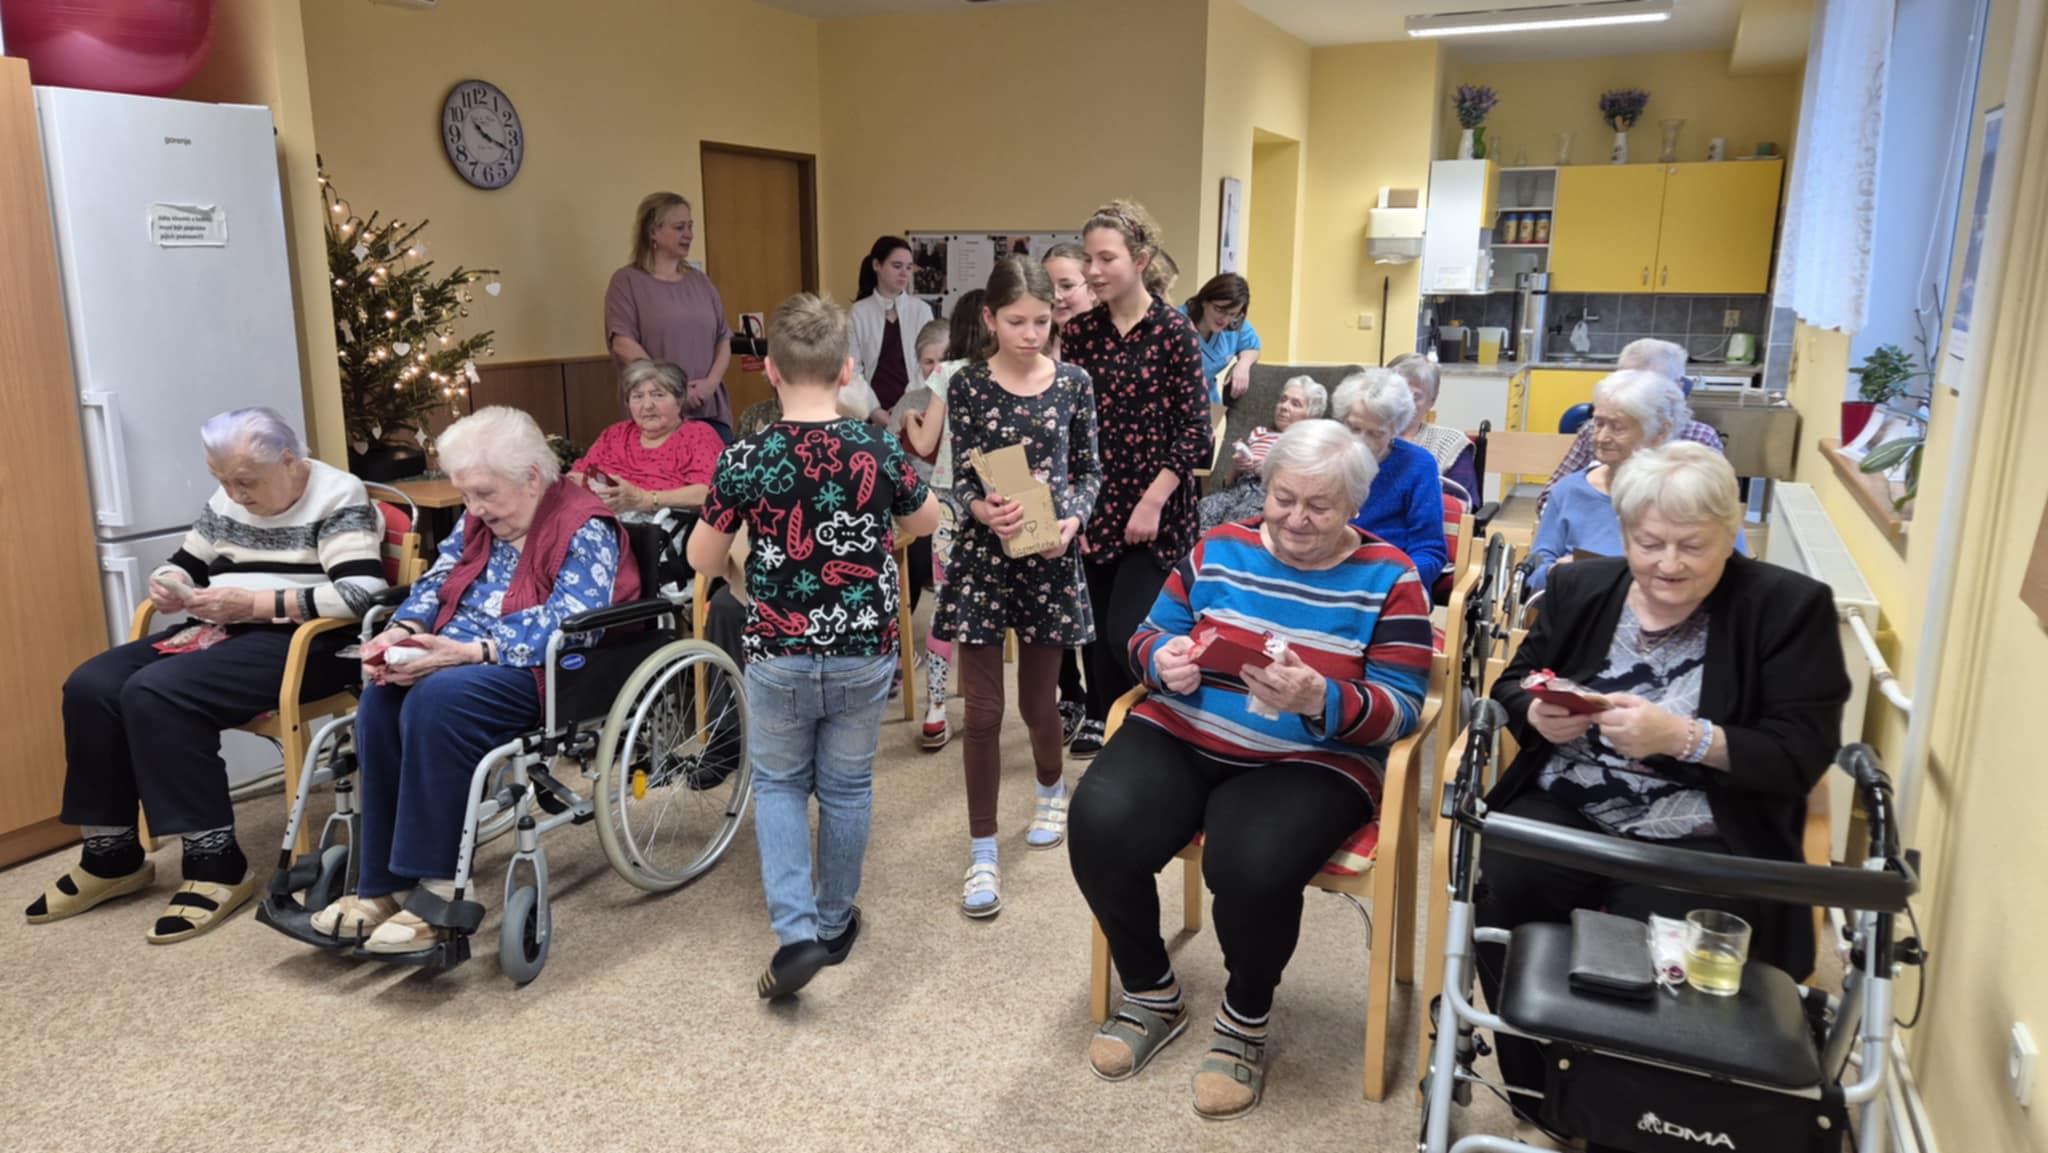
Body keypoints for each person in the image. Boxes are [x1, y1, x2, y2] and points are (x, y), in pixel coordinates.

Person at [1479, 441, 1848, 1144]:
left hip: (1704, 831)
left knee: (1659, 967)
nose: (1668, 563)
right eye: (1649, 543)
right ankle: (1540, 1097)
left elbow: (1799, 754)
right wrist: (1536, 714)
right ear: (1623, 532)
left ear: (1730, 531)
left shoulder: (1788, 608)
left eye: (1692, 545)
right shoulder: (1581, 589)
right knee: (1501, 887)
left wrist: (1682, 737)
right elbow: (1513, 681)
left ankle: (1629, 1121)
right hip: (1567, 806)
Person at [1067, 419, 1432, 1121]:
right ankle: (1151, 991)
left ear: (1355, 504)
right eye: (1283, 498)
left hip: (1312, 758)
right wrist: (1160, 661)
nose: (1295, 518)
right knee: (1099, 820)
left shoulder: (1392, 577)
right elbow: (1148, 633)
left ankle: (1245, 1016)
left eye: (1319, 506)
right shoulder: (1220, 547)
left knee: (1250, 866)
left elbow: (1403, 706)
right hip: (1184, 730)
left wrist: (1321, 698)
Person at [30, 408, 387, 942]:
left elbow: (362, 594)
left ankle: (216, 863)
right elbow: (186, 561)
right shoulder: (228, 499)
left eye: (246, 482)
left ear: (289, 460)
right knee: (92, 686)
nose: (235, 495)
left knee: (159, 692)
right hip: (220, 630)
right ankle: (112, 855)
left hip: (308, 643)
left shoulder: (339, 496)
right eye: (222, 480)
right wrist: (168, 582)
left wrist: (256, 604)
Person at [309, 407, 640, 953]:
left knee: (437, 700)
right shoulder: (480, 519)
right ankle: (383, 887)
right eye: (466, 495)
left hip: (538, 670)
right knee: (381, 699)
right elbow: (436, 581)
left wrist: (468, 652)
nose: (475, 509)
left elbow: (573, 622)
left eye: (484, 494)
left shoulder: (584, 524)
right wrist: (404, 631)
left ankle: (440, 891)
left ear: (531, 477)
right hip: (454, 653)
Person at [688, 292, 939, 1000]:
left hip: (779, 648)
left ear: (770, 371)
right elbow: (926, 521)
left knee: (778, 784)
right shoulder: (877, 447)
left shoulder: (747, 456)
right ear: (847, 369)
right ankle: (833, 923)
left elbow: (703, 557)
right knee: (847, 786)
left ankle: (796, 932)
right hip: (863, 645)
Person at [932, 256, 1101, 918]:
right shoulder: (968, 383)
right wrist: (980, 508)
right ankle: (982, 850)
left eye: (1041, 320)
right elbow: (962, 477)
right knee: (981, 711)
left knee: (1037, 703)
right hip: (984, 557)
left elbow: (1090, 471)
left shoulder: (1075, 383)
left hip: (1049, 558)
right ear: (988, 319)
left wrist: (1073, 520)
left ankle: (1052, 788)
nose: (1031, 334)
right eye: (1016, 322)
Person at [1059, 200, 1213, 759]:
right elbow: (1071, 426)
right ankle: (1110, 731)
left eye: (1106, 258)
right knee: (1097, 635)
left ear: (1140, 260)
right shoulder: (1080, 333)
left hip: (1157, 509)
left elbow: (1197, 433)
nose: (1093, 270)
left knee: (1130, 633)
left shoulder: (1174, 331)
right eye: (1088, 259)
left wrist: (1151, 503)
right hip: (1096, 505)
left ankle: (1161, 727)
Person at [1526, 369, 1731, 593]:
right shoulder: (1569, 490)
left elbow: (1732, 578)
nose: (1601, 438)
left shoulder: (1697, 495)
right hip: (1582, 606)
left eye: (1617, 427)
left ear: (1661, 431)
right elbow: (1533, 575)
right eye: (1598, 424)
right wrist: (1555, 573)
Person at [902, 290, 990, 751]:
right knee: (987, 607)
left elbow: (922, 444)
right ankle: (983, 707)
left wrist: (911, 419)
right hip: (996, 499)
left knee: (945, 608)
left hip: (948, 502)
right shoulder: (1005, 372)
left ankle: (936, 709)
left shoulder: (947, 374)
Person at [605, 192, 736, 441]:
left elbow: (723, 338)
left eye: (690, 226)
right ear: (653, 231)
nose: (689, 234)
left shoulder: (701, 282)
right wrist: (673, 389)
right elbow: (623, 343)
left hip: (709, 410)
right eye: (679, 227)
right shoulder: (626, 281)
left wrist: (710, 384)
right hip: (656, 415)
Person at [1539, 338, 1725, 512]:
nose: (1603, 436)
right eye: (1625, 381)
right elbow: (1549, 499)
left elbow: (1717, 511)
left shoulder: (1700, 438)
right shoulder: (1594, 431)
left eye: (1649, 385)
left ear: (1678, 388)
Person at [1042, 242, 1097, 743]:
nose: (1058, 296)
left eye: (1067, 285)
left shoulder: (1098, 352)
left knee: (1094, 610)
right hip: (1044, 503)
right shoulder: (1032, 347)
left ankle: (1099, 704)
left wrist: (1083, 511)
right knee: (1051, 614)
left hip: (1093, 498)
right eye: (1050, 286)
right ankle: (1069, 696)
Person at [1331, 369, 1447, 589]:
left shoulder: (1418, 465)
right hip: (1329, 576)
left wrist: (1391, 582)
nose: (1360, 442)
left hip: (1391, 582)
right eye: (1353, 428)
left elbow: (1430, 552)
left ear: (1396, 429)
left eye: (1376, 433)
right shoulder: (1326, 456)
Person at [568, 359, 724, 519]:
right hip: (601, 517)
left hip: (662, 524)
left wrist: (646, 499)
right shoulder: (615, 434)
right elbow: (577, 475)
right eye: (637, 396)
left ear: (680, 400)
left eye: (658, 395)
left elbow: (712, 492)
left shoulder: (698, 435)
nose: (647, 405)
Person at [1197, 375, 1328, 532]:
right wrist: (1237, 467)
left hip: (1268, 495)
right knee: (1203, 509)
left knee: (1238, 520)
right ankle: (1200, 544)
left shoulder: (1308, 444)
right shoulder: (1259, 432)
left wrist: (1269, 471)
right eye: (1283, 400)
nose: (1284, 406)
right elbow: (1227, 483)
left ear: (1311, 416)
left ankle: (1217, 543)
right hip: (1237, 488)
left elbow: (1304, 487)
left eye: (1295, 404)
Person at [849, 236, 937, 424]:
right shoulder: (858, 312)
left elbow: (929, 364)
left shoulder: (921, 310)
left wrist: (907, 407)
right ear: (877, 265)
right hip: (870, 412)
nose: (904, 273)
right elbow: (852, 369)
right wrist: (873, 410)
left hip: (914, 411)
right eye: (897, 266)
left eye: (909, 267)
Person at [1387, 352, 1480, 500]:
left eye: (1414, 396)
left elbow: (1461, 504)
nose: (1404, 403)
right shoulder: (1363, 435)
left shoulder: (1451, 444)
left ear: (1432, 401)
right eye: (1397, 393)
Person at [1183, 273, 1261, 404]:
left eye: (1232, 313)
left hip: (1210, 401)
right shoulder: (1178, 324)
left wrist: (1243, 365)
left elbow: (1253, 348)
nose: (1224, 319)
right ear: (1204, 301)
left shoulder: (1234, 323)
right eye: (1219, 310)